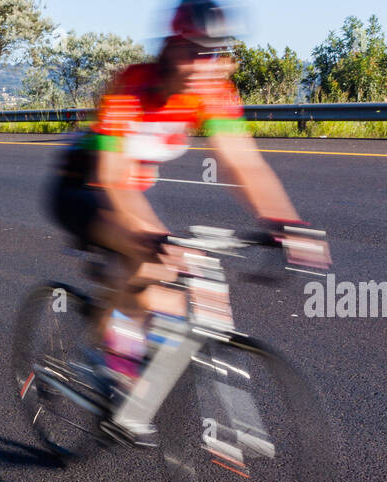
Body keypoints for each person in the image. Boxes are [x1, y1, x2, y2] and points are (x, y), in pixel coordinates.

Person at [49, 0, 330, 391]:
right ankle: (110, 359)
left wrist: (287, 224)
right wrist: (148, 238)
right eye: (194, 51)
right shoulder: (132, 87)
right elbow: (111, 178)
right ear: (170, 48)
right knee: (147, 260)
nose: (203, 64)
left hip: (128, 192)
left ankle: (127, 344)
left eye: (213, 53)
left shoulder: (211, 92)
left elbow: (243, 164)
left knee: (175, 302)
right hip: (82, 189)